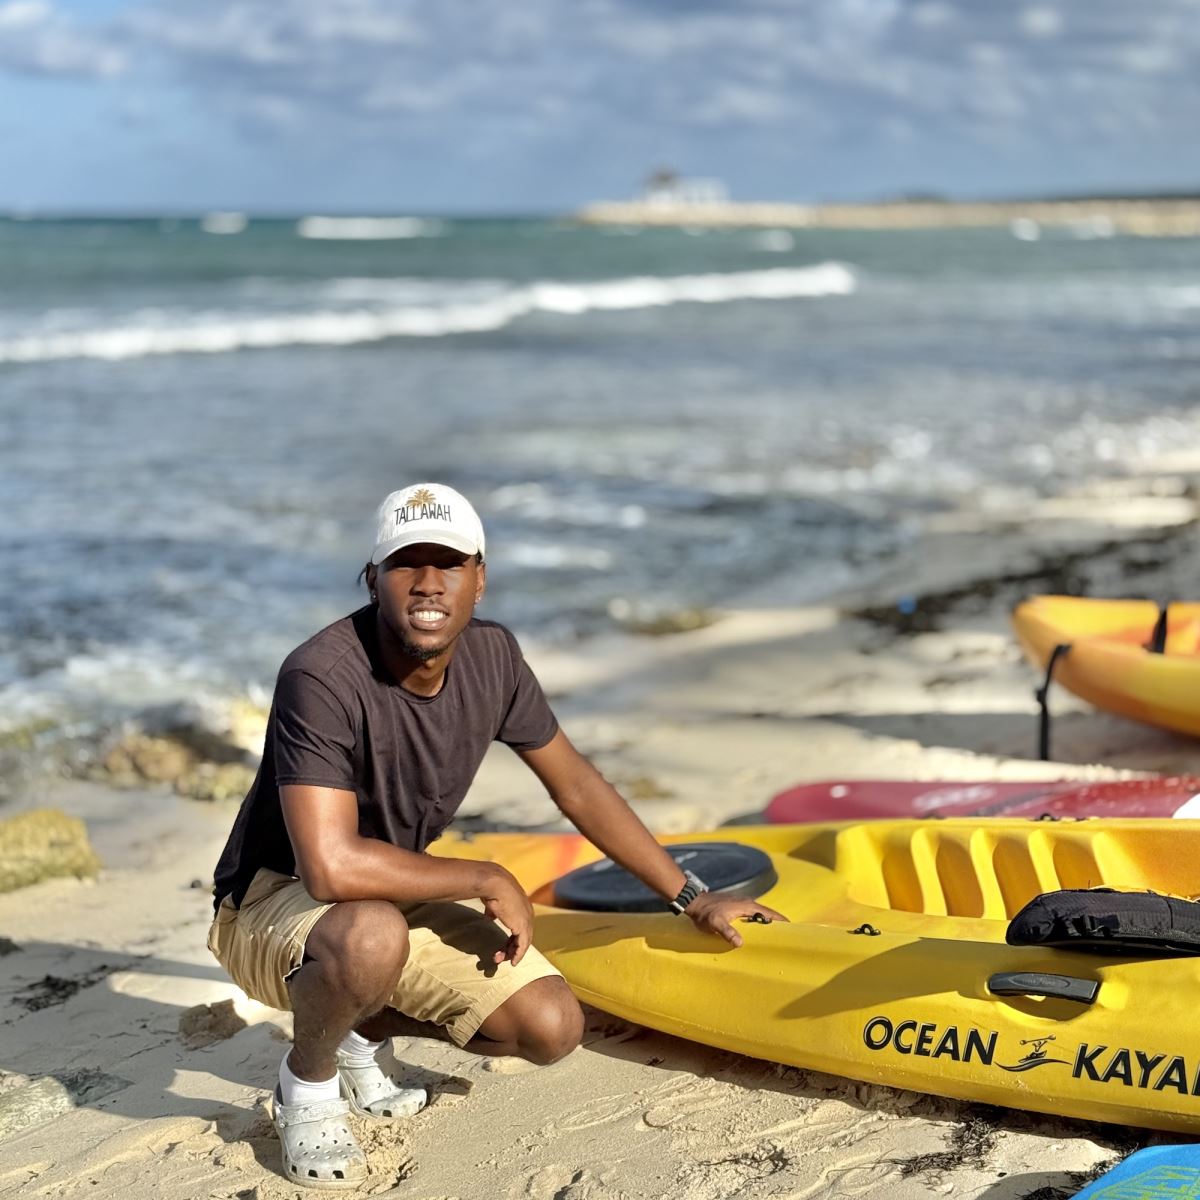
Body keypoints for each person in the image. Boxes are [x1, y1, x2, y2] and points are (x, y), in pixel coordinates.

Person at [207, 481, 785, 1190]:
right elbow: (326, 869)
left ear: (480, 579)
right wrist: (483, 876)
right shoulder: (321, 675)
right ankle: (308, 1083)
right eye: (405, 564)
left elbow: (575, 784)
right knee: (367, 937)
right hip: (269, 903)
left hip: (385, 892)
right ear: (372, 580)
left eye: (447, 563)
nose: (427, 583)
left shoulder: (495, 658)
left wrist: (691, 897)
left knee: (549, 1026)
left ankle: (361, 1030)